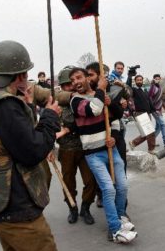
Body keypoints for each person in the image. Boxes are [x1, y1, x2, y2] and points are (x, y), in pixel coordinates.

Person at [0, 40, 61, 250]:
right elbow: (33, 150)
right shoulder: (6, 104)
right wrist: (50, 117)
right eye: (26, 74)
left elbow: (10, 137)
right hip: (16, 206)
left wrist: (27, 107)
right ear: (20, 75)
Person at [69, 67, 137, 243]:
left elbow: (113, 120)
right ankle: (115, 229)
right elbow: (94, 110)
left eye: (78, 77)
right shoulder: (75, 100)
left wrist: (113, 137)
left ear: (86, 78)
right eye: (72, 80)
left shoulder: (101, 97)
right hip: (94, 155)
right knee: (108, 189)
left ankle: (121, 218)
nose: (75, 82)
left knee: (122, 187)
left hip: (110, 150)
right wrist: (101, 89)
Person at [56, 66, 97, 225]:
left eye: (71, 84)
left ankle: (85, 208)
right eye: (66, 85)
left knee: (91, 181)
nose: (69, 87)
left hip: (85, 147)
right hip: (67, 149)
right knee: (68, 182)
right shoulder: (57, 103)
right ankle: (72, 208)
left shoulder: (82, 99)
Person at [127, 74, 157, 153]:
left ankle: (133, 143)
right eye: (138, 80)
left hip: (147, 113)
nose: (139, 81)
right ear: (135, 81)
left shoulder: (144, 90)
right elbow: (128, 86)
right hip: (140, 113)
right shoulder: (134, 90)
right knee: (150, 132)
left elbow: (148, 101)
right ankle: (151, 149)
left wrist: (153, 110)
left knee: (147, 133)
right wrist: (130, 76)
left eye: (141, 80)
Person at [149, 74, 165, 148]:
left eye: (158, 78)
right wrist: (152, 108)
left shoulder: (159, 87)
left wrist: (164, 107)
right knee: (163, 124)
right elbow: (149, 98)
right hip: (154, 110)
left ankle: (151, 141)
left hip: (159, 109)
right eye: (155, 78)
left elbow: (160, 99)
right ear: (153, 79)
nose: (157, 80)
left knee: (158, 127)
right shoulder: (152, 87)